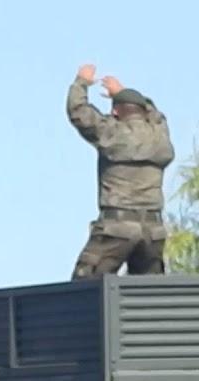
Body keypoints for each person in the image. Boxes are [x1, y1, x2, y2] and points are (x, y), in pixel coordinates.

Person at [67, 63, 175, 279]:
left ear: (116, 111)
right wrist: (123, 93)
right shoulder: (159, 136)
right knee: (148, 291)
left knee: (86, 284)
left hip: (116, 226)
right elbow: (156, 115)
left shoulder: (112, 132)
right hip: (153, 230)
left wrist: (81, 82)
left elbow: (79, 112)